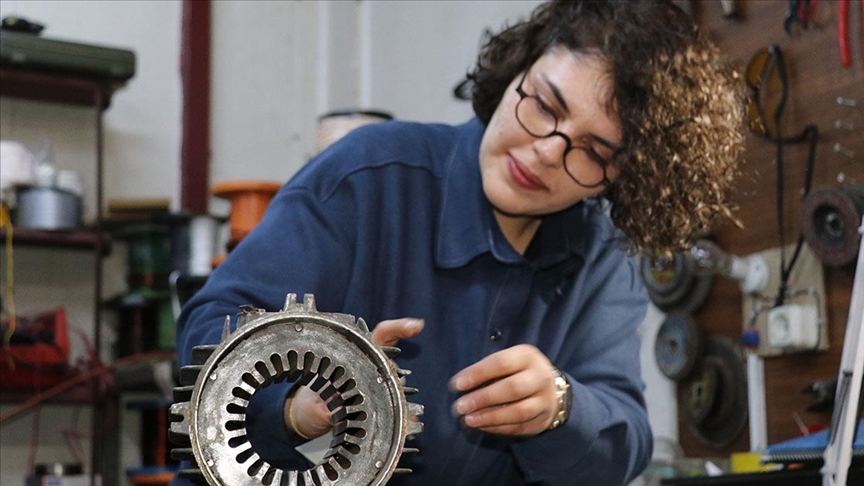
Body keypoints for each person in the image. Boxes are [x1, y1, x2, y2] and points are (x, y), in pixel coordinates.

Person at [175, 0, 743, 484]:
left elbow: (625, 444)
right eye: (544, 105)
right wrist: (297, 405)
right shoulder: (368, 176)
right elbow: (208, 336)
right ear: (517, 70)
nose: (547, 150)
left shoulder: (601, 258)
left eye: (594, 152)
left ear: (626, 179)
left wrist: (560, 407)